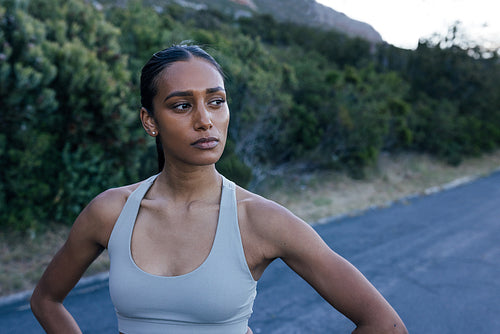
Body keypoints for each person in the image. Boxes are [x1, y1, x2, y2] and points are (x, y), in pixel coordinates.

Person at [31, 44, 408, 334]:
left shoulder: (260, 220)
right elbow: (46, 299)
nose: (204, 120)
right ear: (150, 121)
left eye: (216, 101)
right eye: (181, 106)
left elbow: (385, 324)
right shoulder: (111, 211)